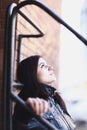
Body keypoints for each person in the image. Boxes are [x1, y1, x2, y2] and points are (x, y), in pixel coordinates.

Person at [12, 55, 76, 130]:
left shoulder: (53, 98)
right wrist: (25, 112)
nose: (50, 68)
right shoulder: (31, 105)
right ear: (31, 74)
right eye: (42, 65)